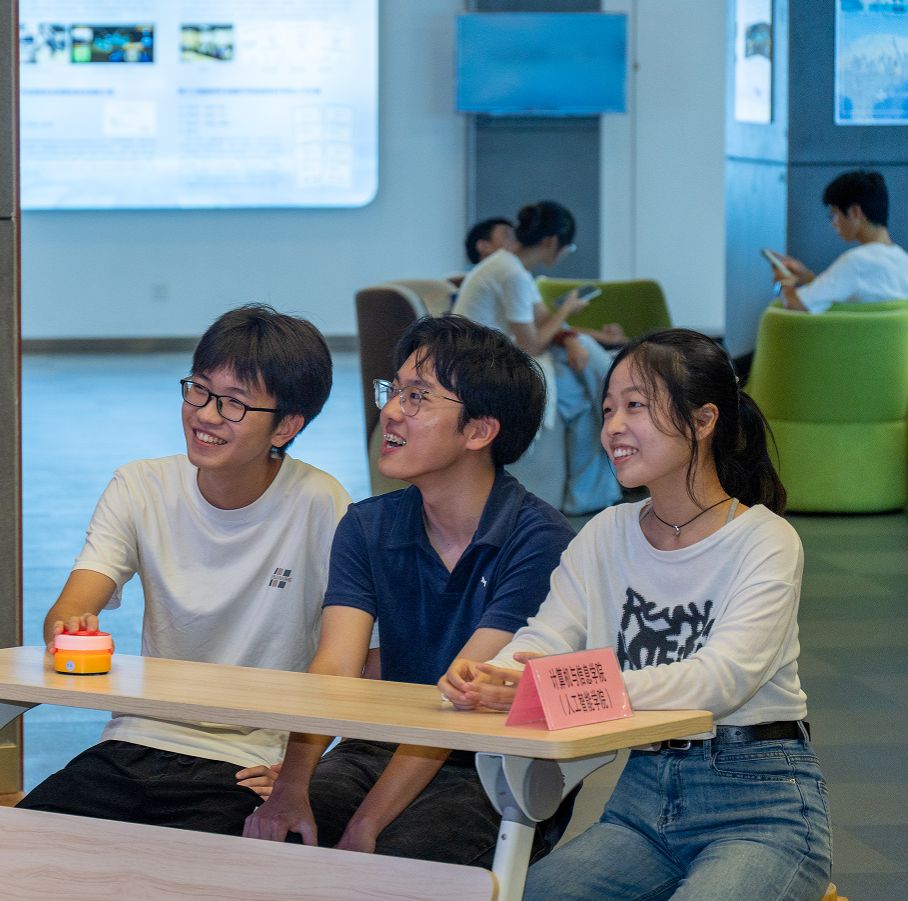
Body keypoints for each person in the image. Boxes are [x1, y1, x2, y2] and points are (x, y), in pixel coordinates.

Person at [439, 329, 832, 901]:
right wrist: (493, 676)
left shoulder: (765, 540)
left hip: (761, 805)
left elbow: (720, 680)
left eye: (635, 406)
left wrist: (558, 692)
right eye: (607, 410)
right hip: (643, 802)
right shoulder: (606, 533)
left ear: (703, 420)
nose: (613, 427)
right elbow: (546, 636)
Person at [244, 316, 576, 868]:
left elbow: (463, 698)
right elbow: (335, 669)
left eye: (418, 397)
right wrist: (291, 786)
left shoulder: (538, 541)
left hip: (491, 764)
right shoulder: (367, 526)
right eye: (394, 390)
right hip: (379, 745)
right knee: (270, 838)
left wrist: (366, 823)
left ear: (479, 431)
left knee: (394, 861)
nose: (391, 411)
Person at [16, 303, 353, 835]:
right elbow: (71, 606)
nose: (206, 415)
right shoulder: (140, 486)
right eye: (199, 389)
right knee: (20, 843)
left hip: (248, 763)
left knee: (195, 868)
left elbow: (358, 661)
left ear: (286, 426)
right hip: (135, 740)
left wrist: (299, 773)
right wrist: (69, 628)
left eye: (234, 403)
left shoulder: (322, 504)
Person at [452, 200, 621, 515]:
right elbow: (531, 346)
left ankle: (616, 401)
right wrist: (567, 311)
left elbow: (544, 322)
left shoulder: (512, 267)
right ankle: (622, 401)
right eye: (568, 248)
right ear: (553, 242)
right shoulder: (512, 274)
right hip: (485, 366)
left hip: (494, 357)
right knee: (580, 396)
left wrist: (580, 336)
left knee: (579, 387)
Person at [772, 169, 908, 314]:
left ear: (855, 212)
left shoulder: (856, 262)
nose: (834, 224)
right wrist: (808, 278)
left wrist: (784, 282)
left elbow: (794, 306)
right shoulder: (902, 260)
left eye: (834, 215)